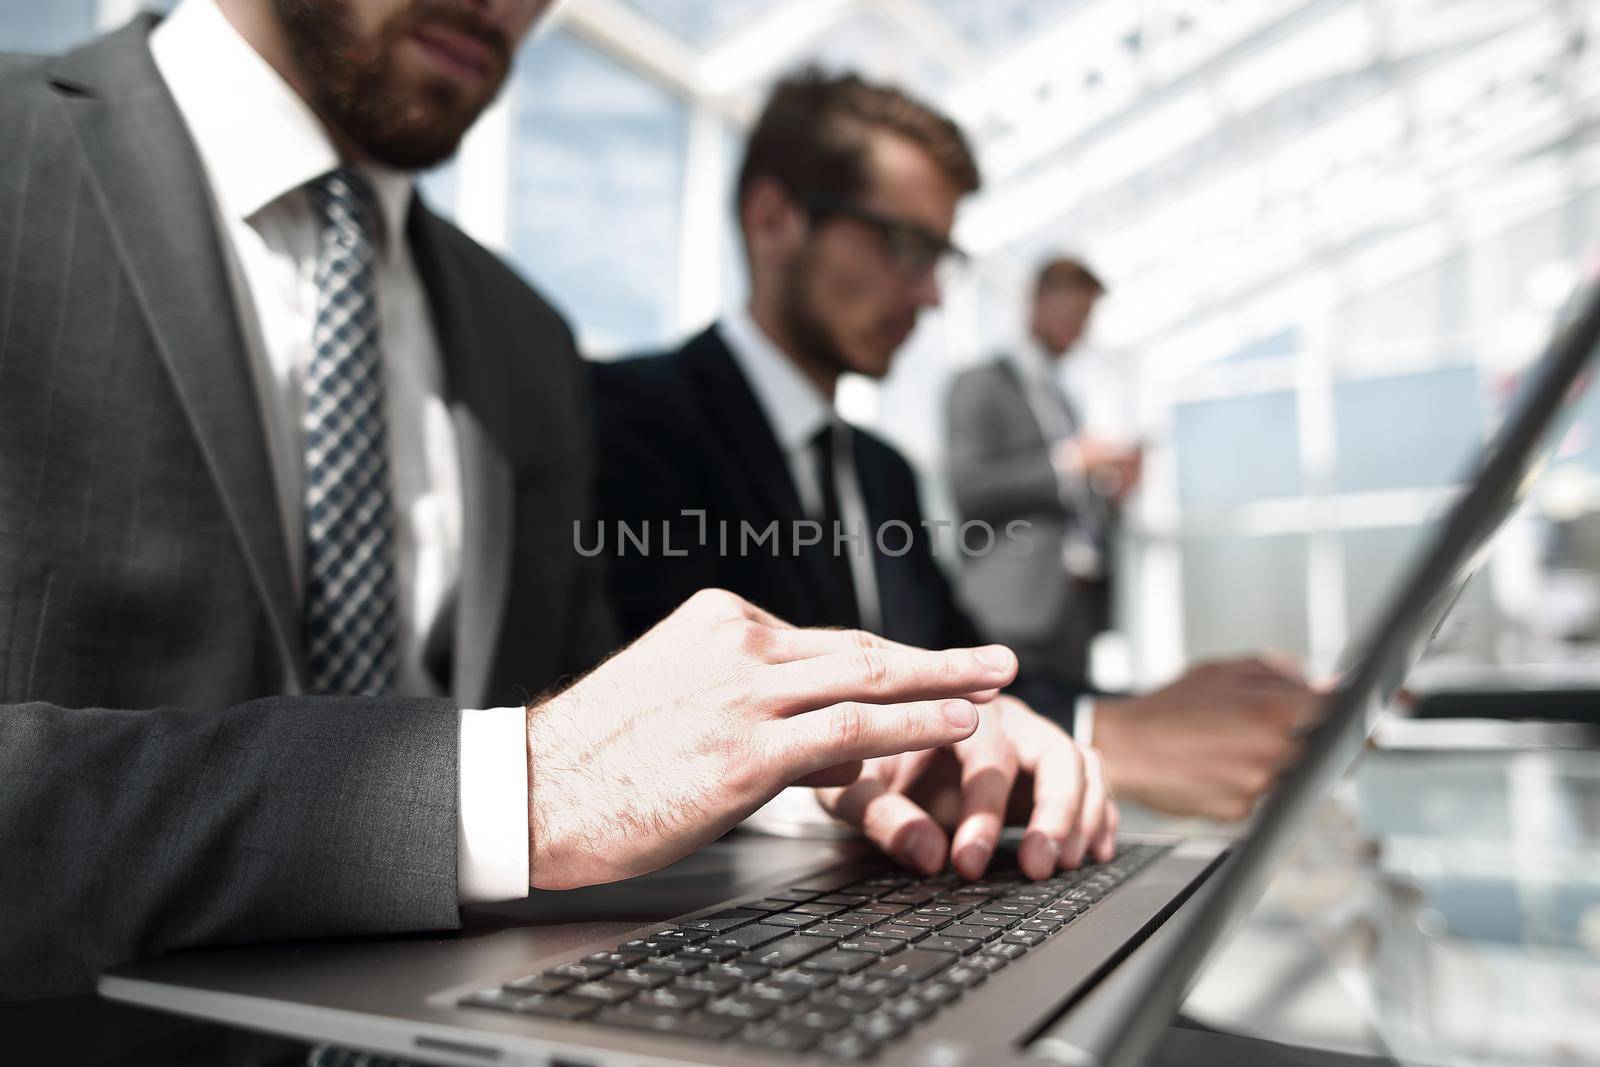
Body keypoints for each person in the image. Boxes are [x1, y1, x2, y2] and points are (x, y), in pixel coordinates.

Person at [0, 2, 1108, 1057]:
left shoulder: (518, 334)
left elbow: (588, 710)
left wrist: (804, 763)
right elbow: (546, 769)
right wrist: (504, 787)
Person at [593, 69, 1320, 835]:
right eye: (906, 246)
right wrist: (1112, 739)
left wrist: (1135, 713)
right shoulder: (623, 419)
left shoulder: (881, 473)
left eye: (940, 258)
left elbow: (951, 667)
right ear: (773, 220)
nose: (932, 295)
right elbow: (643, 729)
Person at [946, 257, 1137, 686]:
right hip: (1012, 609)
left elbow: (1068, 499)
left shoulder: (1062, 400)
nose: (1081, 330)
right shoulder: (980, 383)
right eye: (1076, 314)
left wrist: (1110, 493)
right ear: (1038, 303)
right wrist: (1071, 462)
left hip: (1074, 609)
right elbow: (971, 487)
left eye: (1088, 317)